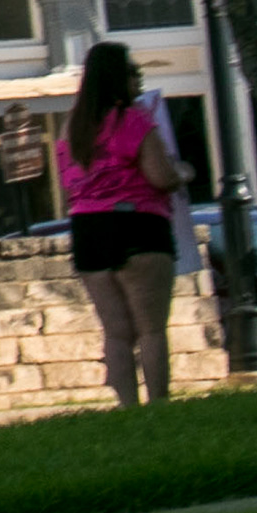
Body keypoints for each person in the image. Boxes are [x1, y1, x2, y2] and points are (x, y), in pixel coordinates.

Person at [60, 38, 187, 406]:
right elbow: (160, 176)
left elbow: (70, 184)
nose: (139, 78)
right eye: (133, 72)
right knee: (150, 328)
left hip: (88, 232)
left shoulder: (71, 128)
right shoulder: (132, 120)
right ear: (116, 77)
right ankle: (158, 405)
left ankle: (127, 408)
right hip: (137, 227)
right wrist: (182, 172)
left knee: (116, 332)